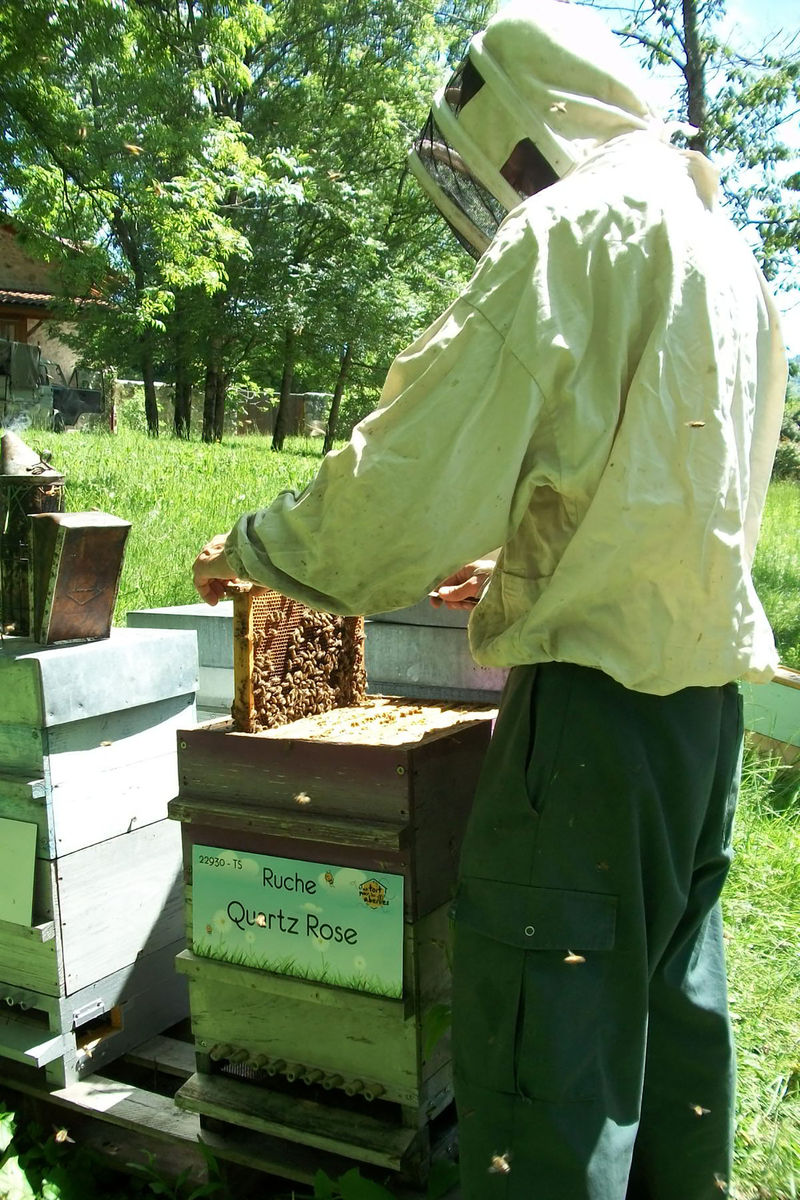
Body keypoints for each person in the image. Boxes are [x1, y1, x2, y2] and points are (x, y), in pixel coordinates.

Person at [193, 3, 787, 1196]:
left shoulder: (571, 233)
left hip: (585, 736)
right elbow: (659, 491)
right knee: (668, 1034)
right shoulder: (727, 256)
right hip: (697, 722)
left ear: (513, 128)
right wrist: (528, 557)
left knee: (545, 1062)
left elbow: (401, 485)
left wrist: (258, 546)